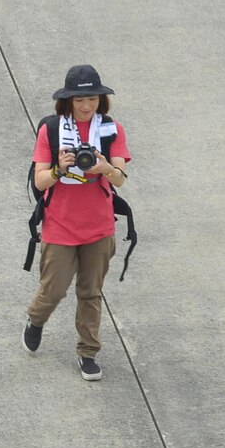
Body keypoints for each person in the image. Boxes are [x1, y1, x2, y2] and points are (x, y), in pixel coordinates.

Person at [24, 65, 133, 380]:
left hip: (99, 227)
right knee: (53, 290)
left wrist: (104, 170)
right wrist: (59, 169)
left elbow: (121, 179)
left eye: (93, 99)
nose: (87, 106)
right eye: (79, 100)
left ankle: (88, 352)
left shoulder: (112, 130)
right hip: (60, 226)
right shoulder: (52, 131)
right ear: (68, 101)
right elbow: (42, 182)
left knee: (90, 292)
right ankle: (36, 320)